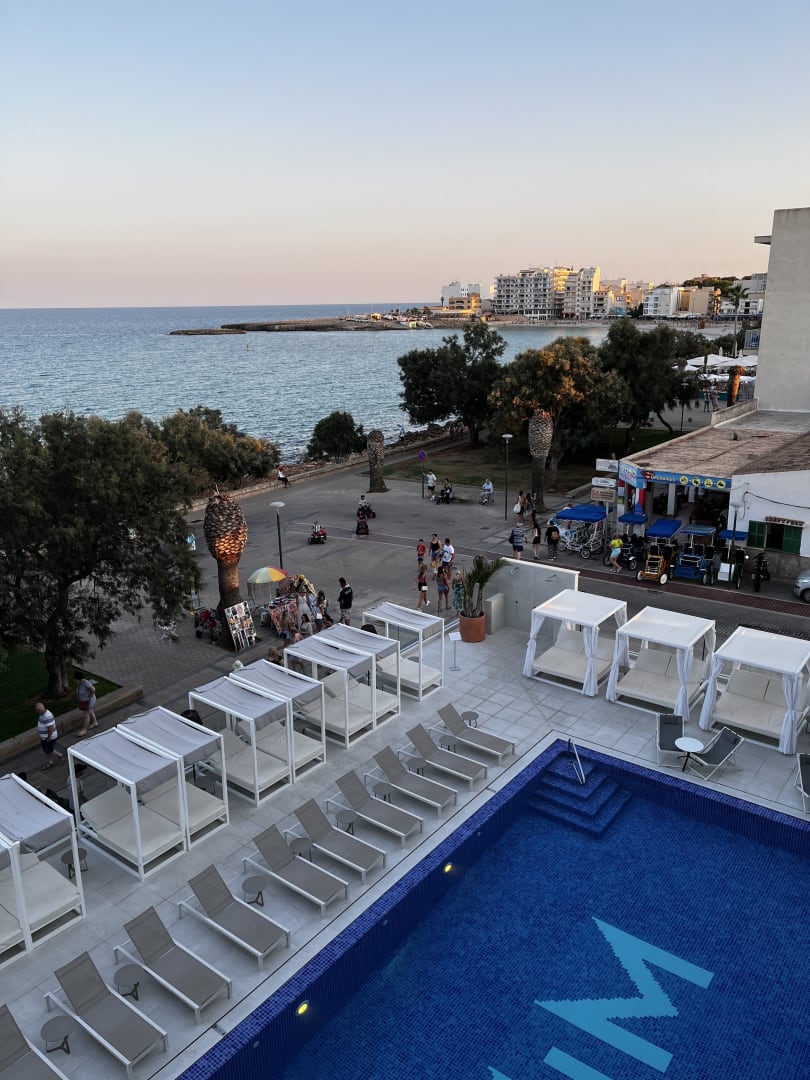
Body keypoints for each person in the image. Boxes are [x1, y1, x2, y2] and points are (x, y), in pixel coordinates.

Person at [35, 703, 64, 770]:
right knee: (47, 750)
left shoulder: (47, 716)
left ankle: (58, 757)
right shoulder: (42, 714)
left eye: (37, 711)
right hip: (44, 737)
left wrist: (49, 737)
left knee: (49, 750)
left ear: (39, 710)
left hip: (49, 738)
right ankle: (53, 760)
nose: (37, 713)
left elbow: (50, 728)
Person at [75, 671, 98, 736]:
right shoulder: (80, 683)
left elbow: (93, 689)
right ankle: (94, 722)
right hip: (85, 702)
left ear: (79, 679)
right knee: (90, 711)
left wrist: (91, 695)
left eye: (75, 679)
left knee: (86, 715)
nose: (74, 681)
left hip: (89, 701)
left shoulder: (86, 683)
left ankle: (84, 730)